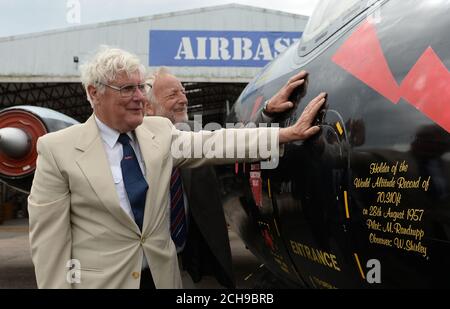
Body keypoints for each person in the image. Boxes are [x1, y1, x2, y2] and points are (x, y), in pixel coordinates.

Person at [27, 46, 326, 289]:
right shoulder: (57, 150)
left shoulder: (158, 131)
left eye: (141, 88)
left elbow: (216, 143)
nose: (140, 98)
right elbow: (50, 245)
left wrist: (286, 134)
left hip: (162, 279)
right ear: (94, 93)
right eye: (128, 89)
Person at [145, 67, 234, 288]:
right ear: (148, 106)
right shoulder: (128, 147)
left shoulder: (194, 140)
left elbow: (235, 141)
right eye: (173, 94)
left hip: (185, 266)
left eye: (184, 92)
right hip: (139, 269)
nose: (184, 99)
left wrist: (267, 114)